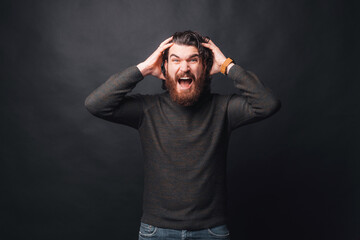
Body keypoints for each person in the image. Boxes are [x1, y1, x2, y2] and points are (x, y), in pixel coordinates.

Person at [85, 30, 281, 240]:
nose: (184, 67)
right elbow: (96, 104)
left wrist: (227, 65)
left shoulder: (224, 108)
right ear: (165, 67)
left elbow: (268, 104)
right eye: (175, 60)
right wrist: (144, 68)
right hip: (156, 232)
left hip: (211, 231)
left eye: (193, 60)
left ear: (205, 67)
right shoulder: (147, 109)